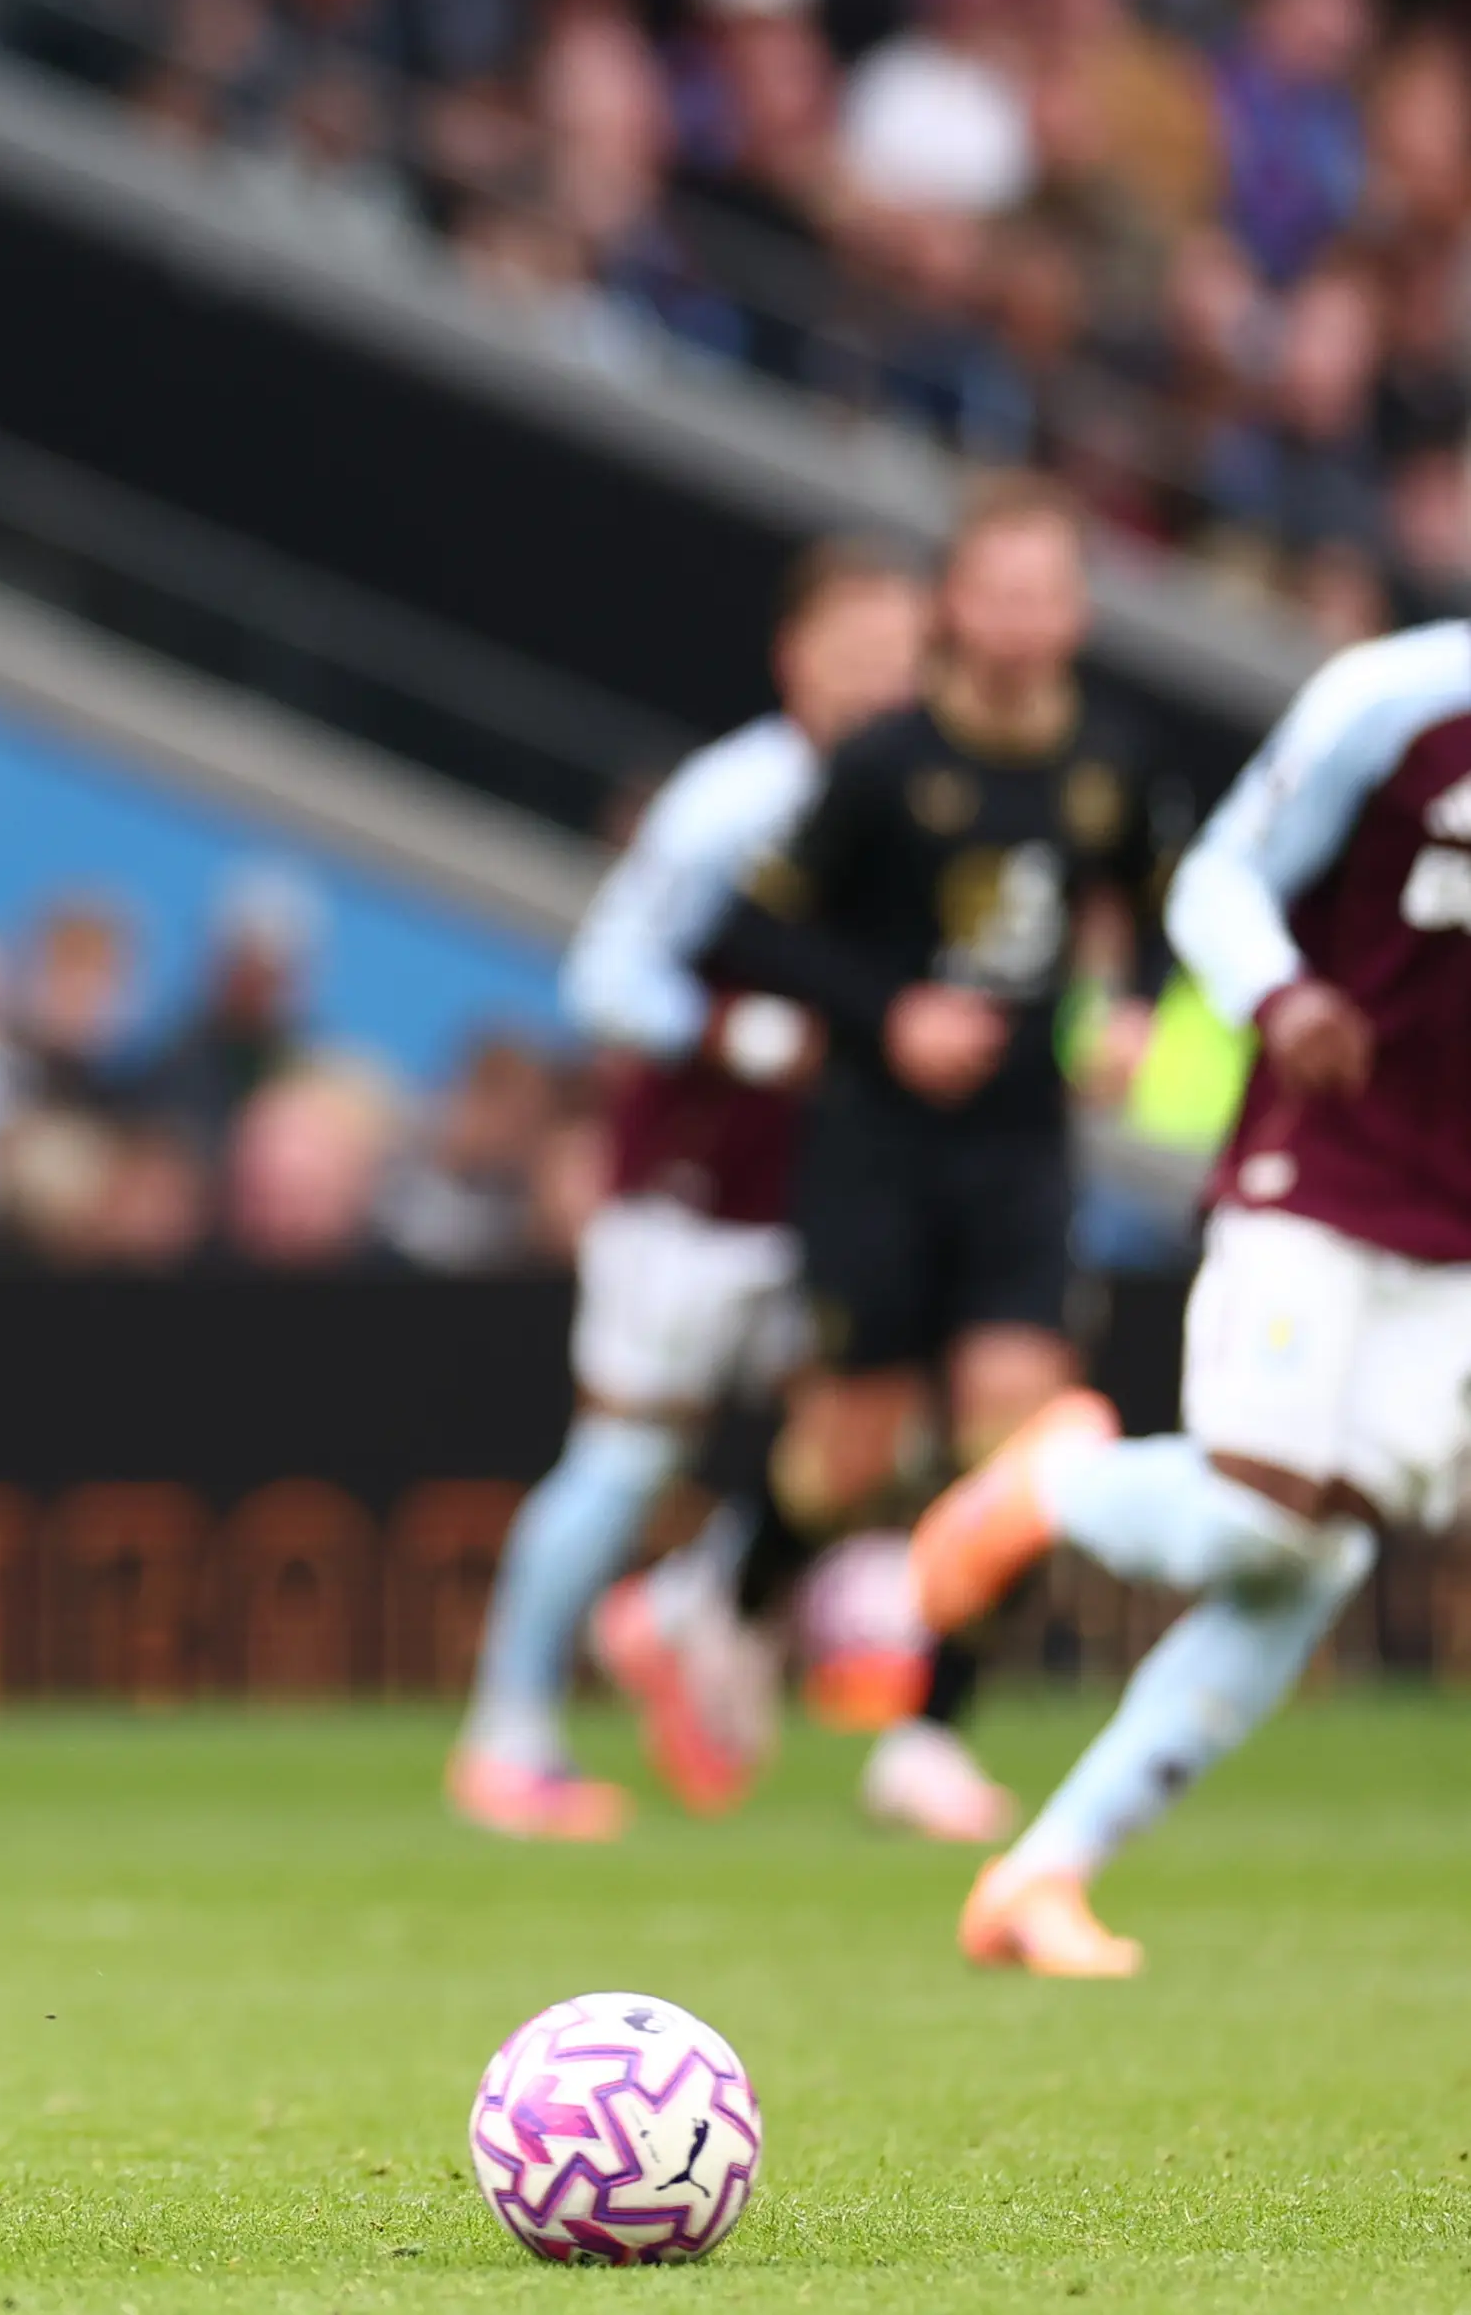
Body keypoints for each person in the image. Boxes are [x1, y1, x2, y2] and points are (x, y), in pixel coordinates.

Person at [898, 617, 1471, 1975]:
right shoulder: (1397, 700)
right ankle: (1048, 1485)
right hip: (1318, 1162)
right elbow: (1215, 875)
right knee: (1257, 1514)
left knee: (1309, 1555)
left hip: (1458, 1222)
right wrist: (1278, 993)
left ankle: (1039, 1876)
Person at [616, 476, 1169, 1843]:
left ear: (1080, 610)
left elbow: (1149, 902)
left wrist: (1130, 1006)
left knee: (1018, 1440)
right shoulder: (877, 767)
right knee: (848, 1447)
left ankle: (927, 1733)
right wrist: (890, 1014)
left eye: (1050, 593)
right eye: (1000, 591)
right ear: (955, 606)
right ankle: (729, 1606)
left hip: (1023, 1148)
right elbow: (739, 934)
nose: (1026, 620)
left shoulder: (1107, 758)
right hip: (874, 1142)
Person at [451, 539, 925, 1840]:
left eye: (905, 654)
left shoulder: (919, 790)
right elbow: (605, 973)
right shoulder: (735, 798)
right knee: (626, 1453)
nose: (887, 679)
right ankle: (509, 1732)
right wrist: (747, 1039)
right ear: (797, 660)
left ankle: (687, 1607)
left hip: (834, 1184)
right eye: (860, 653)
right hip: (695, 1185)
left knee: (878, 1428)